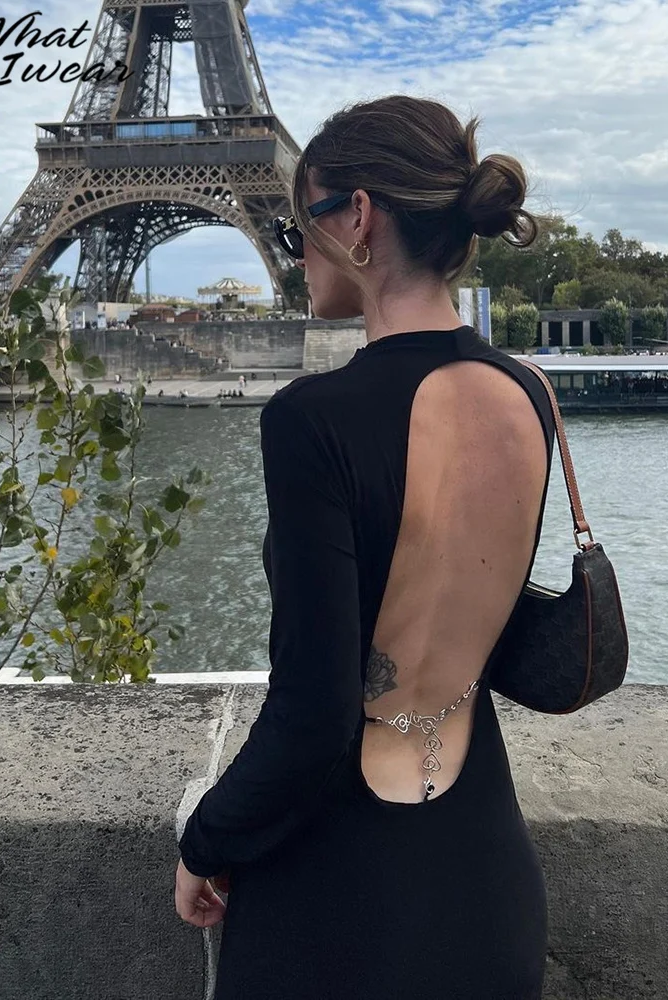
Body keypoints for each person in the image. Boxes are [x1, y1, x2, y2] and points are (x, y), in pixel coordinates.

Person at [175, 94, 554, 999]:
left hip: (342, 907)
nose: (293, 250)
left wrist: (206, 839)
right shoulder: (529, 393)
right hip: (488, 884)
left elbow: (314, 715)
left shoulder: (313, 419)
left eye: (296, 225)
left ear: (357, 217)